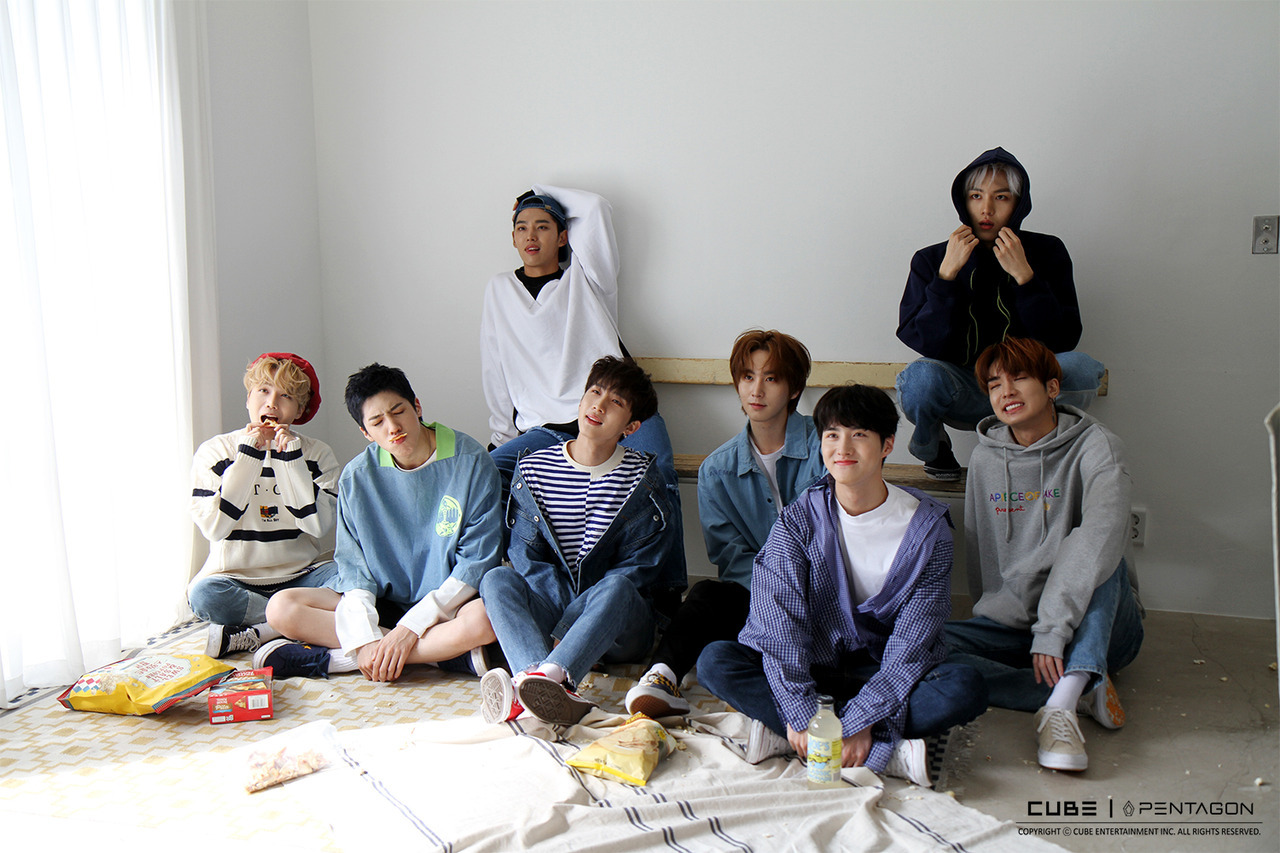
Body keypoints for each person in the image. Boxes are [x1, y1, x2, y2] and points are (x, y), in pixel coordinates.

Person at [697, 385, 987, 787]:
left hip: (880, 670)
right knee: (716, 660)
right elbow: (778, 625)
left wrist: (858, 721)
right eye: (832, 435)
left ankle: (800, 740)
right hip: (812, 667)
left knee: (964, 687)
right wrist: (801, 710)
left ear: (887, 445)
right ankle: (886, 749)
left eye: (859, 434)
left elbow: (912, 644)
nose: (843, 448)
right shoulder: (799, 520)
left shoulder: (926, 529)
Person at [479, 185, 686, 615]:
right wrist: (501, 434)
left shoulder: (588, 277)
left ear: (563, 236)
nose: (531, 235)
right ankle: (520, 589)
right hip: (546, 429)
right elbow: (494, 364)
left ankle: (665, 601)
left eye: (543, 226)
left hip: (615, 414)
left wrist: (537, 191)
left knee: (661, 476)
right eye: (521, 227)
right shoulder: (499, 290)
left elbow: (595, 208)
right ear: (512, 237)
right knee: (485, 474)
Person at [944, 337, 1142, 772]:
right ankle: (1076, 688)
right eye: (994, 384)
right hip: (1016, 627)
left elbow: (1099, 539)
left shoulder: (1099, 447)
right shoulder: (985, 459)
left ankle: (1063, 701)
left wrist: (1052, 630)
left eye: (1019, 378)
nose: (1006, 392)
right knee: (917, 646)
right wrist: (1008, 618)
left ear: (1052, 388)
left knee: (1099, 555)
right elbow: (983, 556)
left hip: (1099, 624)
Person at [253, 363, 503, 682]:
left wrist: (410, 628)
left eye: (398, 412)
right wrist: (366, 635)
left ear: (417, 407)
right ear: (366, 433)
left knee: (487, 617)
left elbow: (477, 562)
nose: (393, 427)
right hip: (382, 603)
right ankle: (444, 657)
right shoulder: (357, 477)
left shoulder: (471, 461)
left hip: (448, 605)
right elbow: (354, 570)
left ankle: (336, 661)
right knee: (281, 608)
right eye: (377, 422)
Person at [625, 329, 824, 717]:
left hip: (824, 593)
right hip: (760, 595)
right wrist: (776, 590)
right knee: (707, 596)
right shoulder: (717, 469)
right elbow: (731, 559)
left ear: (795, 388)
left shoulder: (826, 446)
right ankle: (661, 677)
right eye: (748, 377)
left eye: (771, 378)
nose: (756, 390)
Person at [479, 356, 676, 727]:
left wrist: (566, 627)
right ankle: (537, 680)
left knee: (618, 585)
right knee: (496, 579)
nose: (598, 405)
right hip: (552, 604)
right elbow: (526, 559)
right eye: (595, 392)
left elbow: (638, 570)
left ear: (631, 427)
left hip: (617, 625)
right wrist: (563, 622)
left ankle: (546, 678)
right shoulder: (533, 468)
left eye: (615, 402)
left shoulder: (642, 479)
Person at [895, 147, 1105, 481]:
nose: (987, 209)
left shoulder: (1047, 251)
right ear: (963, 201)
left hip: (1027, 390)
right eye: (976, 196)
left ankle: (1048, 448)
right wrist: (946, 277)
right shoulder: (931, 259)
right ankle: (934, 448)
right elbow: (924, 343)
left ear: (1019, 204)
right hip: (964, 390)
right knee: (919, 378)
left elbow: (1063, 339)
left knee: (1080, 367)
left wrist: (1025, 277)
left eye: (1002, 197)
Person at [189, 353, 340, 659]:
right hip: (236, 579)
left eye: (286, 396)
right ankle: (298, 623)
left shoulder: (317, 454)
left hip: (302, 576)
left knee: (355, 578)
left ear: (299, 410)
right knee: (203, 595)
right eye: (263, 391)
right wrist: (248, 457)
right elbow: (215, 528)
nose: (272, 404)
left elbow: (316, 526)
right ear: (248, 398)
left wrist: (291, 460)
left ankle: (263, 631)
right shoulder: (216, 451)